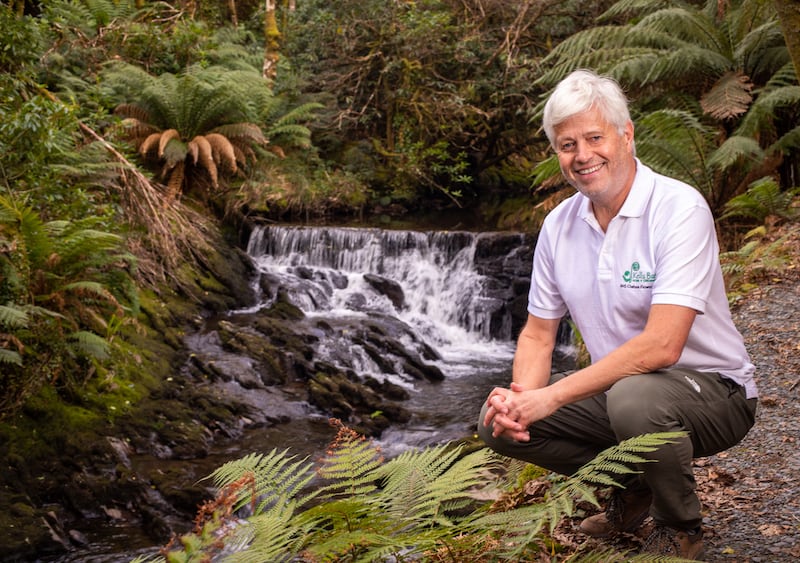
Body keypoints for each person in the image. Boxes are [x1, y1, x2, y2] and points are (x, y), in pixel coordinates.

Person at [477, 69, 758, 561]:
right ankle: (633, 487)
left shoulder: (678, 209)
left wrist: (551, 397)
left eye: (594, 138)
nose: (582, 155)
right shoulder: (559, 225)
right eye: (567, 145)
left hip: (717, 393)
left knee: (633, 398)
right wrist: (522, 401)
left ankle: (679, 528)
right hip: (622, 393)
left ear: (626, 135)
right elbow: (539, 335)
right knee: (493, 421)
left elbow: (662, 346)